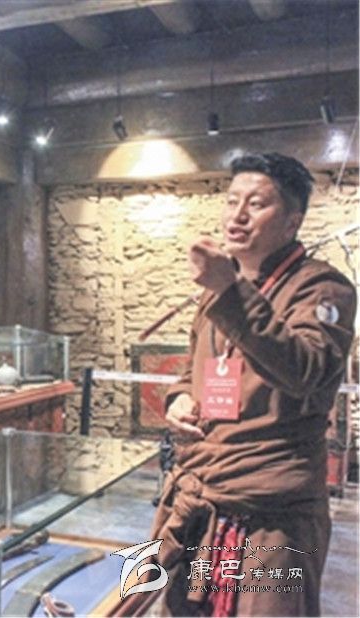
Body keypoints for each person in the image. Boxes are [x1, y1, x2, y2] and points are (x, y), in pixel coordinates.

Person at [150, 152, 356, 616]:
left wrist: (232, 292)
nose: (237, 215)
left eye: (257, 204)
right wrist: (179, 398)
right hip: (201, 493)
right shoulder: (221, 290)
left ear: (292, 221)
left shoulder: (324, 289)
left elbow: (306, 370)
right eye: (231, 201)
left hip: (273, 513)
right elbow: (194, 371)